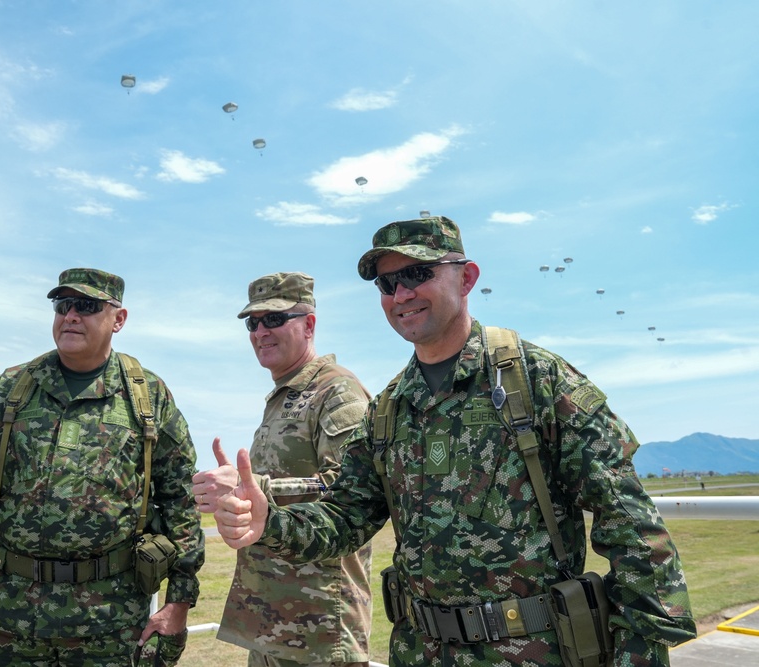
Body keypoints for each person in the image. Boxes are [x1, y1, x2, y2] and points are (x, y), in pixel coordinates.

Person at [214, 217, 696, 667]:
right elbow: (345, 520)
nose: (401, 293)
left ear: (466, 279)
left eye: (417, 273)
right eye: (387, 283)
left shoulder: (535, 380)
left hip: (532, 651)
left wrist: (641, 650)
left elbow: (631, 526)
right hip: (422, 650)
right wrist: (268, 521)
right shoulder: (389, 409)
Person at [0, 268, 204, 667]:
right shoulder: (15, 386)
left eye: (86, 306)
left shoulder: (147, 396)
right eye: (62, 305)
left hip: (110, 620)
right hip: (12, 618)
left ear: (118, 319)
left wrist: (179, 601)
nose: (70, 315)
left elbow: (179, 501)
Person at [193, 272, 373, 667]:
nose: (260, 331)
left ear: (309, 325)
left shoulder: (336, 391)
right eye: (252, 323)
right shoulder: (283, 396)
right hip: (273, 623)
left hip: (321, 627)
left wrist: (251, 487)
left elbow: (352, 492)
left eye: (274, 319)